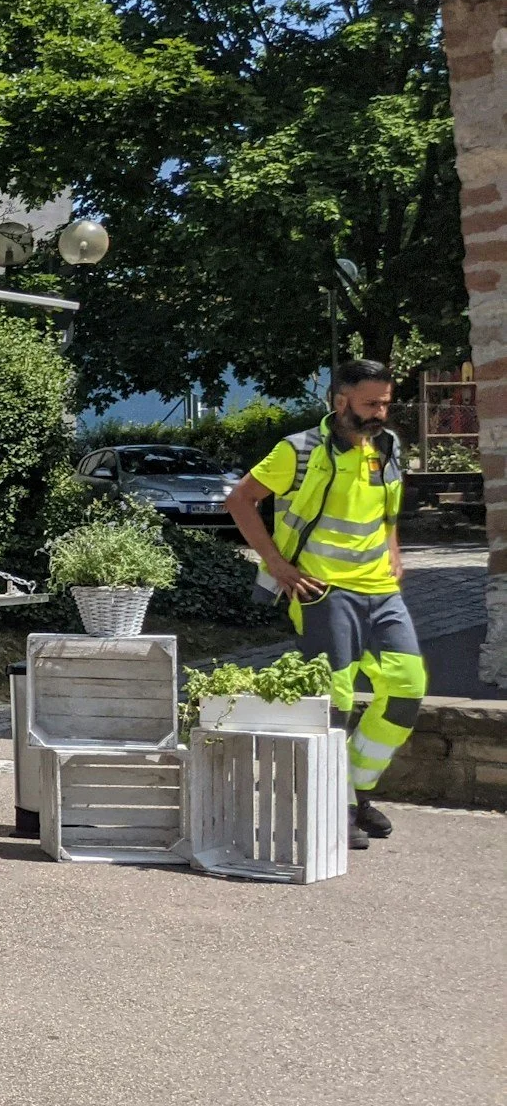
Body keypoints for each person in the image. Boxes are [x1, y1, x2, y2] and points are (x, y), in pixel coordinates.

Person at [224, 360, 427, 851]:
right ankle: (330, 806)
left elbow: (388, 507)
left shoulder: (389, 446)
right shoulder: (298, 450)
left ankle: (355, 792)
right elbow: (240, 500)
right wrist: (276, 565)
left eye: (385, 403)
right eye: (370, 403)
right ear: (340, 401)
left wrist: (394, 549)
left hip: (380, 590)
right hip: (322, 591)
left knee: (407, 688)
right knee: (333, 700)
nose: (380, 412)